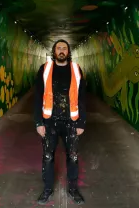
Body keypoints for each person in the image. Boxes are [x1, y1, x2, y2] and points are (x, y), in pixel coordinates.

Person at [34, 39, 86, 205]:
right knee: (48, 157)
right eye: (59, 48)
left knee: (73, 156)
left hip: (71, 121)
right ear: (54, 51)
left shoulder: (76, 70)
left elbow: (82, 97)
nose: (61, 50)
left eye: (64, 48)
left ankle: (73, 189)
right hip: (49, 121)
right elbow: (37, 96)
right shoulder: (45, 69)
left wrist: (81, 122)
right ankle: (48, 189)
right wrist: (38, 122)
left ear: (68, 51)